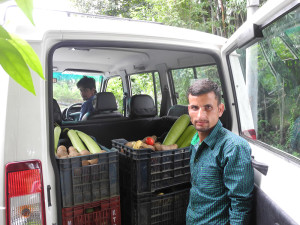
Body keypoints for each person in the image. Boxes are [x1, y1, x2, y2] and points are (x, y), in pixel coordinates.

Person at [186, 79, 254, 225]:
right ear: (188, 110)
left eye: (208, 107)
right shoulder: (195, 140)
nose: (200, 116)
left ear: (220, 109)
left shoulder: (233, 147)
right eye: (195, 108)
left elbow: (240, 206)